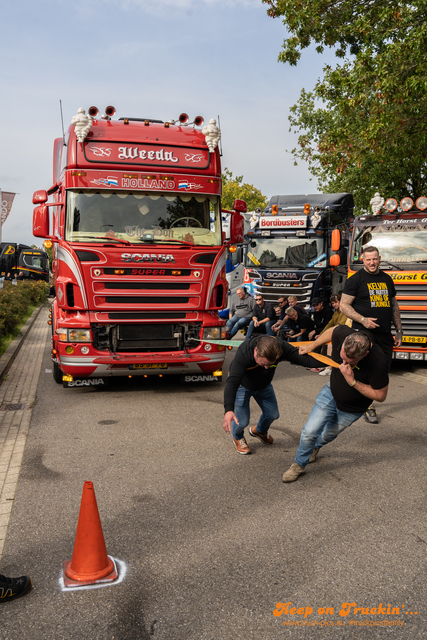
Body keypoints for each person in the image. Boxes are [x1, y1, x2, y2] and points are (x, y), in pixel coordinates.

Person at [282, 325, 389, 482]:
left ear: (365, 354)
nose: (343, 363)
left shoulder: (378, 362)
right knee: (310, 431)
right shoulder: (345, 334)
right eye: (342, 357)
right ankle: (299, 464)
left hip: (353, 408)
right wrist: (311, 346)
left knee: (326, 435)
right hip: (331, 392)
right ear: (345, 341)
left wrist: (352, 381)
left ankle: (314, 448)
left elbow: (380, 396)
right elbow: (333, 331)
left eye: (350, 361)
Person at [223, 335, 321, 454]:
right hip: (242, 385)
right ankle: (237, 437)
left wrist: (336, 362)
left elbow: (304, 360)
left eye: (270, 364)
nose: (266, 367)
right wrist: (228, 410)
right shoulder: (244, 352)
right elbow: (232, 381)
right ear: (256, 351)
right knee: (242, 421)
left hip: (264, 385)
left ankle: (260, 431)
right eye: (263, 363)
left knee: (272, 414)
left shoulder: (280, 347)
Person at [340, 245, 402, 423]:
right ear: (363, 259)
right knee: (367, 367)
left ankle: (367, 397)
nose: (372, 262)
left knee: (383, 369)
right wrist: (363, 319)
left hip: (385, 333)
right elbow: (344, 305)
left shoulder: (387, 279)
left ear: (379, 259)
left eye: (374, 259)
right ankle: (368, 405)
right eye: (368, 259)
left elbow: (393, 306)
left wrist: (398, 330)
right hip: (364, 333)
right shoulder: (356, 279)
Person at [317, 292, 349, 376]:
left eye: (335, 302)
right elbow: (330, 324)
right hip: (337, 332)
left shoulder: (345, 311)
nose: (334, 304)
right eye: (332, 303)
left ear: (340, 301)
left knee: (330, 343)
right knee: (322, 340)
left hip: (345, 333)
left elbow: (341, 325)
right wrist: (321, 334)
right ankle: (323, 363)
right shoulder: (336, 313)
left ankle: (330, 367)